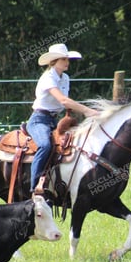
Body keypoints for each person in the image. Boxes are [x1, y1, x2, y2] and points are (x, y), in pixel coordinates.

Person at [27, 43, 99, 192]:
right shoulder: (48, 78)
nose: (67, 62)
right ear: (54, 61)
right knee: (45, 145)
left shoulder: (64, 77)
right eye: (63, 59)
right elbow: (64, 100)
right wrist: (87, 111)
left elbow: (66, 103)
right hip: (39, 120)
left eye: (67, 59)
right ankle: (34, 187)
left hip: (54, 120)